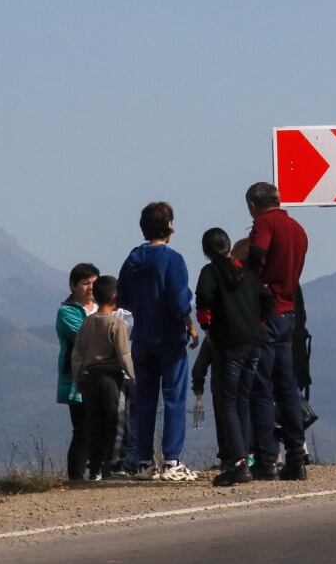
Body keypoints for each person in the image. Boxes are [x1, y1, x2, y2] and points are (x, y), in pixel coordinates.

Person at [116, 200, 199, 483]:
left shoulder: (132, 259)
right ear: (170, 226)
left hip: (142, 337)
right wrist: (189, 324)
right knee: (174, 398)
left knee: (145, 400)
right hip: (169, 337)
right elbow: (179, 299)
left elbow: (123, 297)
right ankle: (172, 461)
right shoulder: (173, 259)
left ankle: (142, 461)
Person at [246, 181, 309, 481]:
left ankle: (266, 458)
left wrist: (247, 279)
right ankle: (297, 456)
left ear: (253, 205)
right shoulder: (297, 229)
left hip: (265, 314)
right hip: (289, 311)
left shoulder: (264, 224)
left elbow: (258, 253)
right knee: (288, 387)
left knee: (262, 388)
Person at [196, 227, 269, 486]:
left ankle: (237, 462)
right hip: (254, 341)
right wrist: (257, 321)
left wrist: (208, 329)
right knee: (243, 400)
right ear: (228, 245)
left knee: (227, 401)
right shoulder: (246, 271)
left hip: (230, 344)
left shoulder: (210, 273)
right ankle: (247, 458)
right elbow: (266, 298)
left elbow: (203, 303)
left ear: (206, 251)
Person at [72, 275, 135, 481]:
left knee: (94, 423)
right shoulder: (116, 325)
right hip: (112, 378)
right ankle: (114, 465)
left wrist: (78, 377)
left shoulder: (88, 322)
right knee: (115, 422)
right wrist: (133, 377)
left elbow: (77, 354)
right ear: (115, 296)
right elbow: (124, 355)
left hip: (90, 377)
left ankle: (95, 468)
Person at [56, 262, 99, 482]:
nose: (90, 288)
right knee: (82, 429)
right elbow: (85, 338)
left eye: (94, 283)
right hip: (77, 379)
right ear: (73, 285)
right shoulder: (66, 313)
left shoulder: (102, 307)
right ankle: (76, 478)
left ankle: (98, 471)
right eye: (85, 283)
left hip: (102, 378)